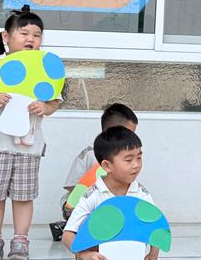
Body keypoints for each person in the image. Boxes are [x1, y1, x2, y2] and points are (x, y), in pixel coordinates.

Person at [0, 6, 61, 260]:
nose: (31, 39)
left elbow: (54, 101)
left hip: (28, 148)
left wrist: (45, 107)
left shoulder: (45, 66)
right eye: (24, 33)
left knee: (23, 196)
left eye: (37, 35)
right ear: (6, 37)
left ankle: (20, 241)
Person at [62, 126, 160, 260]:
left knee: (138, 220)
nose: (136, 165)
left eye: (139, 157)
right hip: (93, 253)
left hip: (125, 250)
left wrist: (153, 253)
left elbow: (155, 226)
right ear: (107, 165)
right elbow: (68, 234)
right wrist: (85, 255)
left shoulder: (141, 194)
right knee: (87, 223)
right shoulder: (93, 194)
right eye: (128, 160)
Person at [49, 103, 139, 241]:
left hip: (110, 204)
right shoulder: (89, 155)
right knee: (90, 221)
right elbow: (72, 186)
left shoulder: (128, 158)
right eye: (127, 133)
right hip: (81, 203)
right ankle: (69, 228)